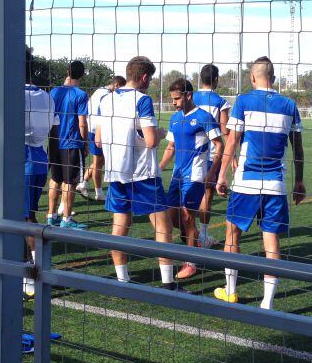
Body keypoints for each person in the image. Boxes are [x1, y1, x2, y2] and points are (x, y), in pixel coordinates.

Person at [214, 56, 306, 310]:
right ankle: (267, 302)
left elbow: (232, 142)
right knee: (271, 241)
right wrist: (299, 181)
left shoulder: (243, 101)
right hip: (276, 185)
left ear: (252, 78)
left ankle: (230, 291)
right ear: (274, 78)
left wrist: (222, 175)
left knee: (232, 234)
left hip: (246, 183)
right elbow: (298, 149)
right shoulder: (289, 105)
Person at [95, 56, 183, 291]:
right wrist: (161, 133)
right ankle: (167, 282)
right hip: (142, 172)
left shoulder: (106, 99)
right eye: (150, 78)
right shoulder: (142, 100)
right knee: (162, 226)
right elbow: (152, 141)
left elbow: (98, 139)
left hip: (116, 171)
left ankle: (122, 280)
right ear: (144, 77)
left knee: (120, 226)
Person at [159, 78, 223, 280]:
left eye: (177, 98)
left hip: (195, 176)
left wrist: (212, 172)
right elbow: (170, 147)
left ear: (188, 95)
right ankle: (194, 241)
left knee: (187, 217)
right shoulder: (175, 118)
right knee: (172, 218)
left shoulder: (204, 117)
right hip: (177, 175)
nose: (174, 102)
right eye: (172, 99)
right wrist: (158, 168)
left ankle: (191, 263)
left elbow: (219, 145)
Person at [22, 51, 60, 298]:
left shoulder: (13, 94)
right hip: (40, 159)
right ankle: (28, 267)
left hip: (21, 160)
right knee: (28, 216)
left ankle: (37, 274)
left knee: (25, 221)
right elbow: (53, 131)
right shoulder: (46, 96)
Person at [191, 64, 230, 247]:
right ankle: (203, 236)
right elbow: (225, 130)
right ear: (216, 79)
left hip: (190, 152)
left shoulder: (191, 96)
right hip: (211, 153)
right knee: (207, 193)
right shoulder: (220, 101)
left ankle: (190, 233)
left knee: (189, 192)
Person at [47, 60, 88, 229]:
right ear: (83, 75)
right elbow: (82, 123)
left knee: (55, 179)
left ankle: (51, 216)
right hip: (71, 143)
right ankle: (67, 219)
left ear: (67, 71)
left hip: (54, 142)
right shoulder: (80, 94)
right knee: (70, 182)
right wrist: (85, 143)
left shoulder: (54, 92)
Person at [79, 76, 125, 202]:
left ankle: (83, 183)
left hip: (93, 129)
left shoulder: (98, 91)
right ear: (116, 85)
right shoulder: (107, 96)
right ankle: (98, 192)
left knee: (99, 161)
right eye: (120, 89)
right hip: (97, 131)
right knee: (99, 162)